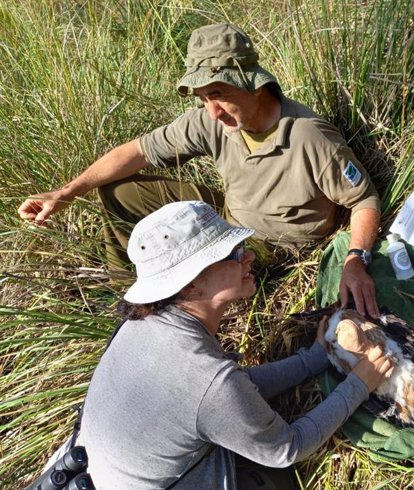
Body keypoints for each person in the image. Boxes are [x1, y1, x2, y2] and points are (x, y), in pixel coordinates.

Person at [25, 201, 393, 490]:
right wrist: (361, 382)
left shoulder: (141, 324)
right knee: (279, 485)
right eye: (232, 254)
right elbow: (286, 448)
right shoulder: (207, 379)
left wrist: (314, 358)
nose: (248, 255)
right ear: (189, 285)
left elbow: (226, 392)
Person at [17, 22, 381, 318]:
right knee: (120, 191)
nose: (212, 112)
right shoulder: (212, 122)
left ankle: (165, 309)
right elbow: (137, 152)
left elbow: (363, 200)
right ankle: (125, 293)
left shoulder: (308, 137)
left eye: (219, 93)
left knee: (196, 269)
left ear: (253, 85)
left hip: (271, 244)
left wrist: (355, 261)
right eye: (203, 98)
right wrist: (65, 193)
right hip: (228, 215)